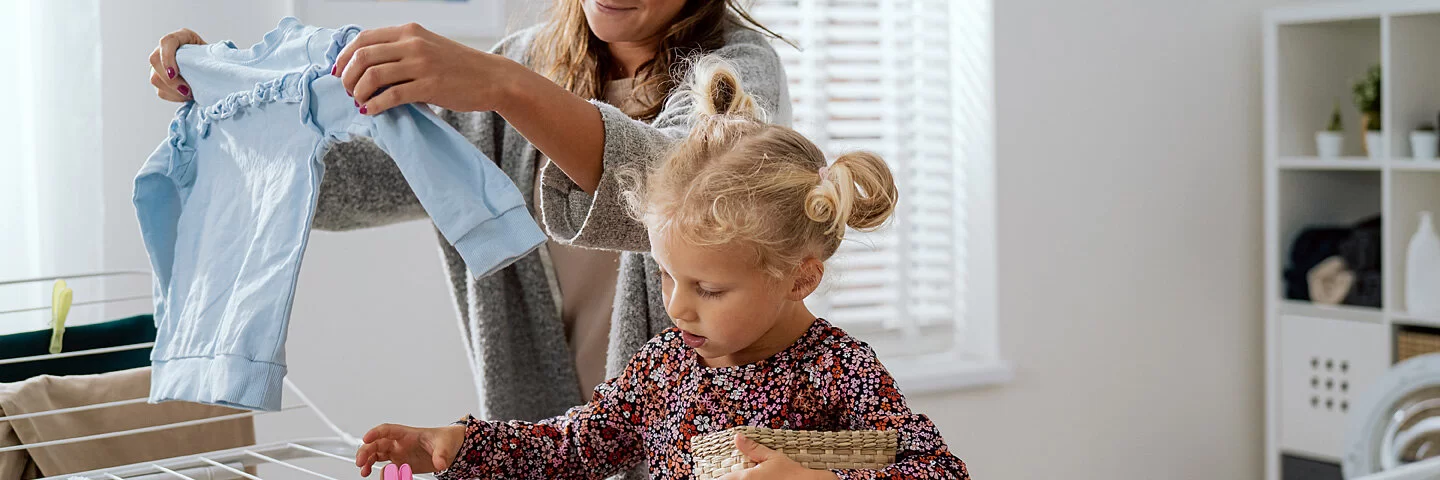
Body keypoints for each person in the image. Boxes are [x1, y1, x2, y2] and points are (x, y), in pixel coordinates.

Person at [146, 0, 792, 424]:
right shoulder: (525, 61)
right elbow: (347, 189)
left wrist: (506, 89)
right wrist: (230, 108)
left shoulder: (736, 72)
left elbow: (686, 200)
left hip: (691, 428)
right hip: (540, 431)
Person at [351, 56, 970, 480]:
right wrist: (458, 447)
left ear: (800, 278)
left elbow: (939, 470)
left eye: (709, 288)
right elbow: (572, 448)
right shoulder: (665, 365)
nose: (677, 306)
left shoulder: (839, 371)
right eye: (669, 276)